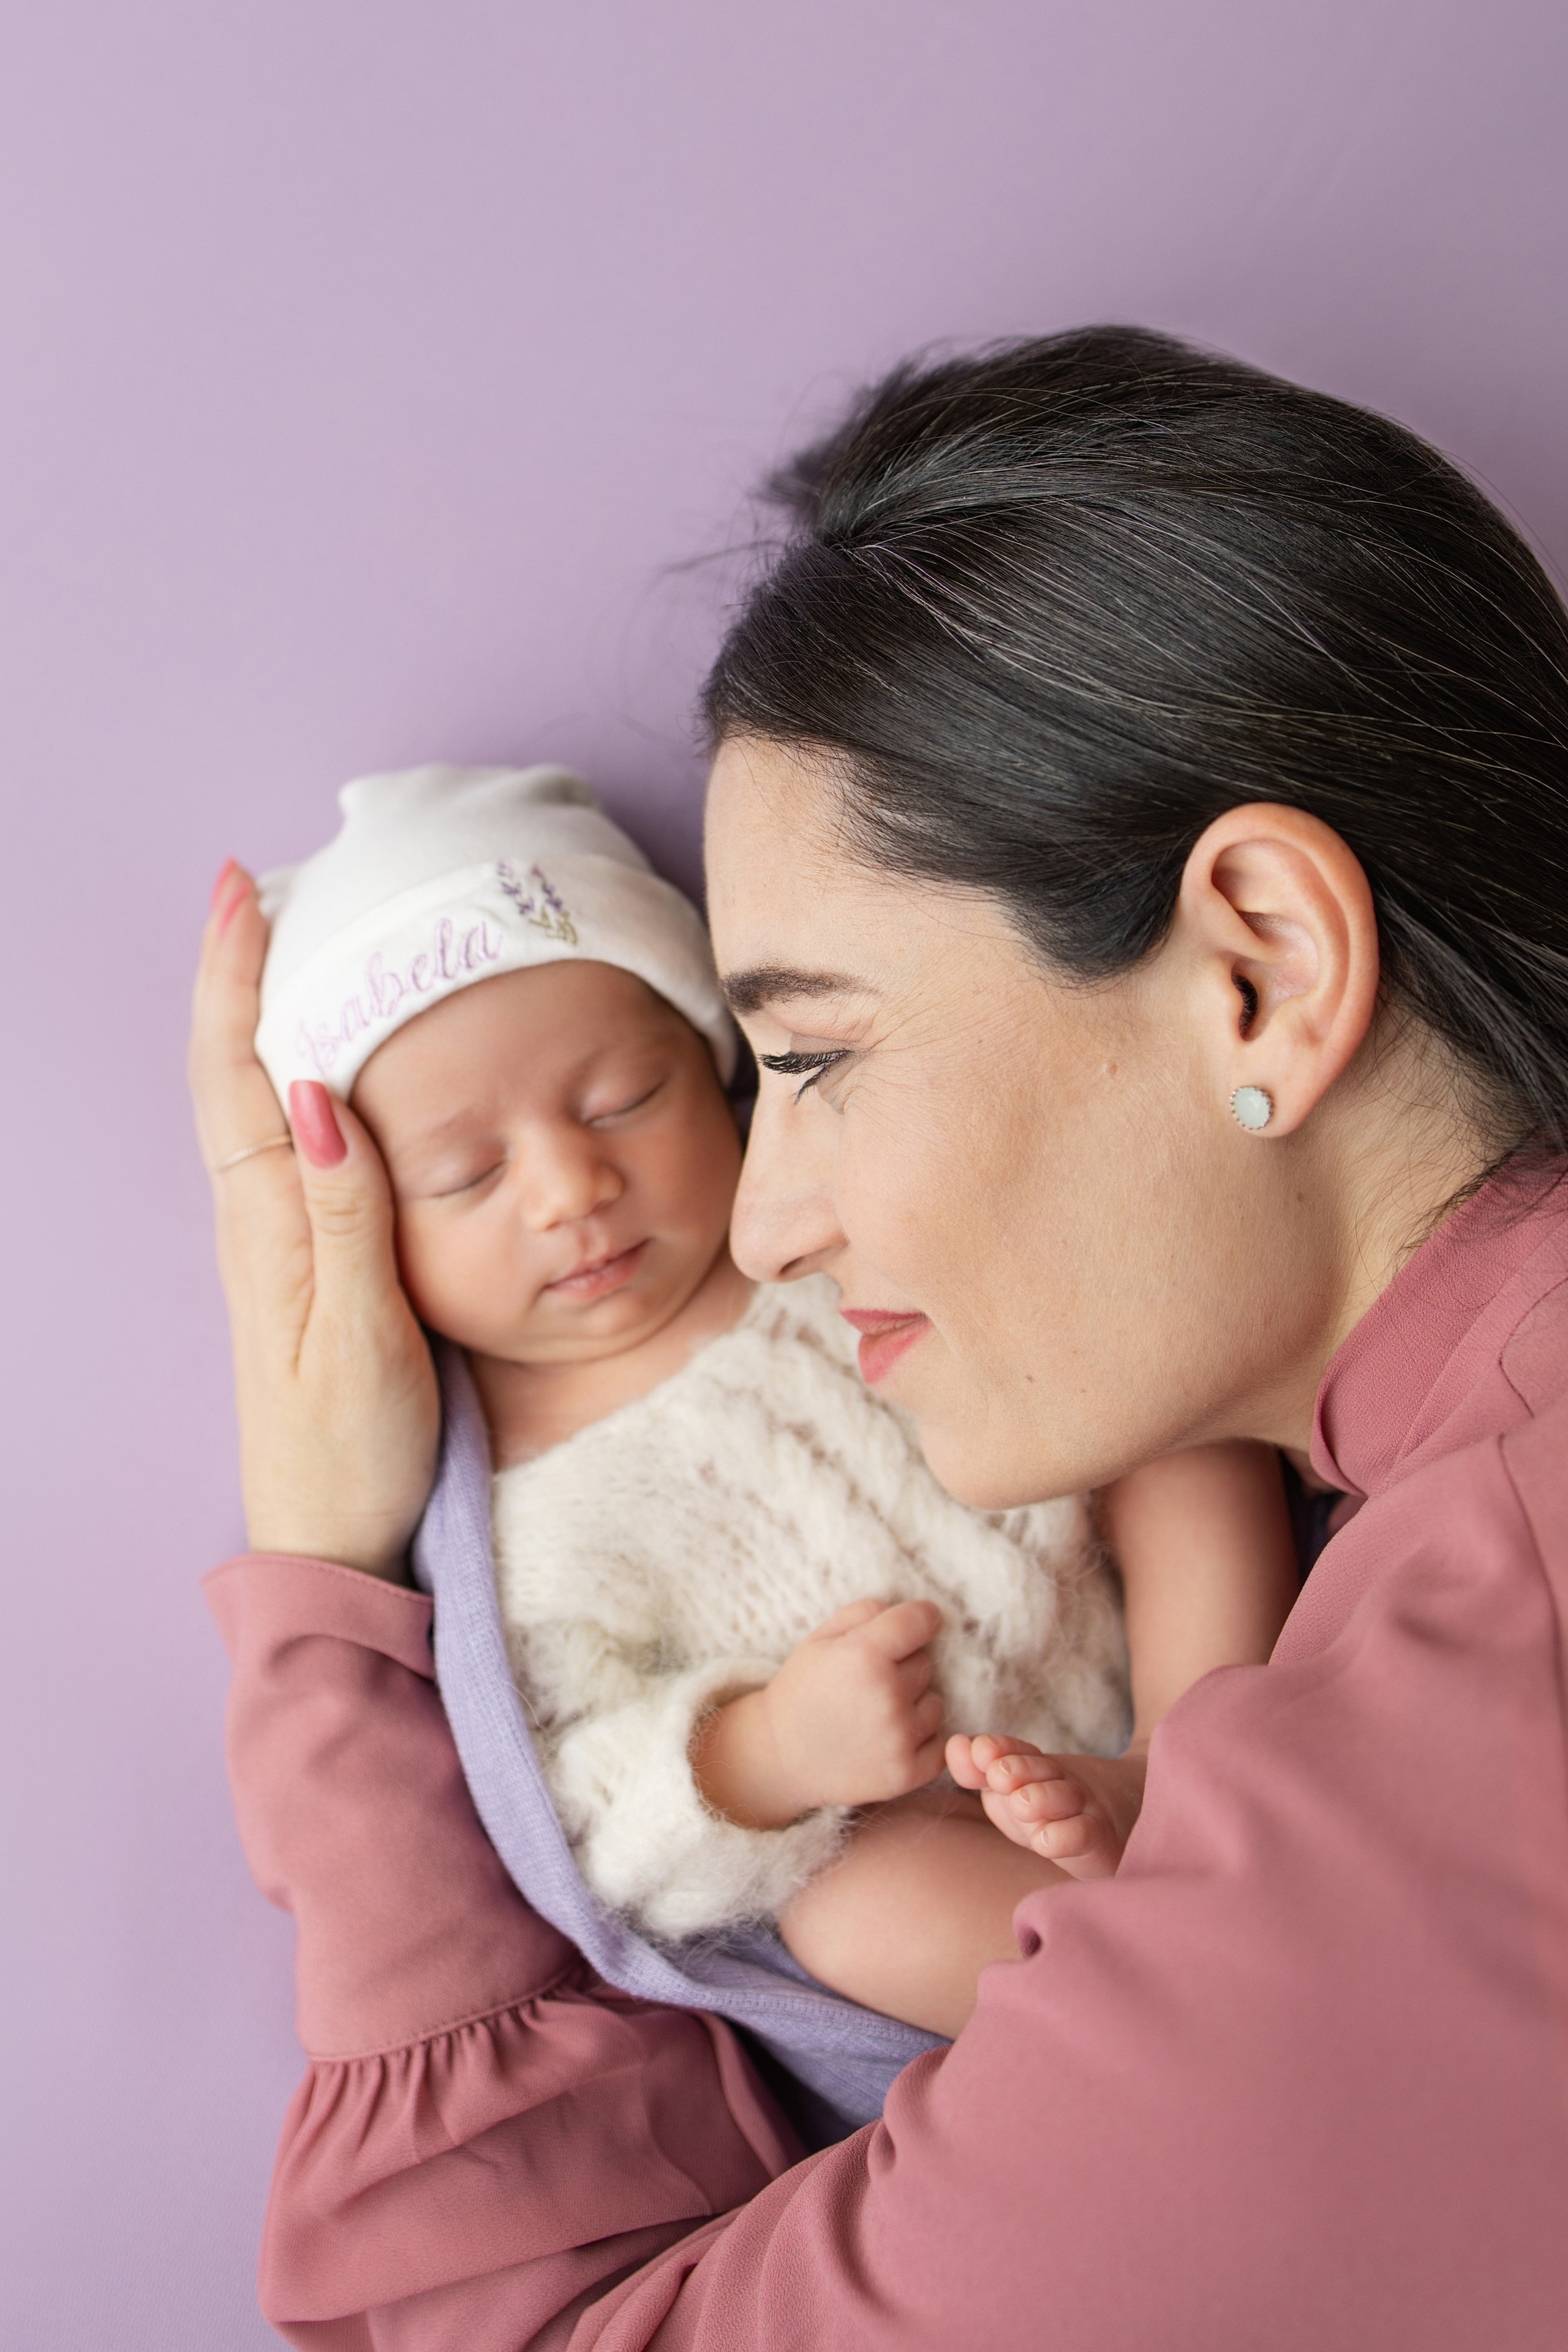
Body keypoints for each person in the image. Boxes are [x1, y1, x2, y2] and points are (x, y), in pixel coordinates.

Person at [191, 326, 1568, 2348]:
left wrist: (324, 1587)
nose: (765, 1221)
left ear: (1262, 968)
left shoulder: (1362, 1875)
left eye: (816, 1056)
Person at [243, 761, 1292, 2060]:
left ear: (717, 1066)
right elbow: (588, 1817)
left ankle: (1193, 1759)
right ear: (368, 1230)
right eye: (466, 1173)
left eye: (621, 1101)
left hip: (1131, 1649)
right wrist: (766, 1755)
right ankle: (1206, 2017)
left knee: (1185, 1427)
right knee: (855, 1914)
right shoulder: (524, 1519)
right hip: (945, 1832)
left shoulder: (814, 1240)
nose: (572, 1187)